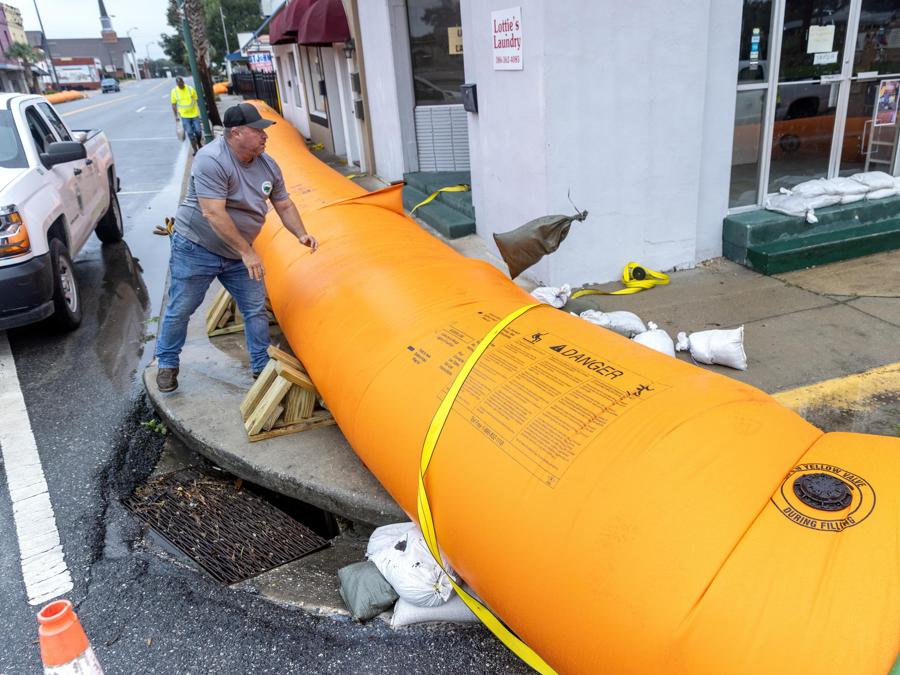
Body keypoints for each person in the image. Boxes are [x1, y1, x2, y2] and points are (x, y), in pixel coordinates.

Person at [154, 102, 318, 393]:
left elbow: (283, 203)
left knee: (255, 309)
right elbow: (214, 213)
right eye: (258, 131)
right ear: (236, 133)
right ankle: (167, 363)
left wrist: (301, 234)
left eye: (264, 131)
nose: (265, 136)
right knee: (181, 308)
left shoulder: (267, 164)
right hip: (197, 248)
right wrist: (247, 252)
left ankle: (260, 368)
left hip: (238, 252)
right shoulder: (211, 160)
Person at [170, 76, 203, 153]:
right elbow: (174, 104)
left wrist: (200, 112)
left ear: (183, 82)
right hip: (184, 116)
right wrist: (176, 116)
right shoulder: (174, 91)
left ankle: (198, 142)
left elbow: (197, 99)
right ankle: (195, 149)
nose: (180, 85)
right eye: (179, 84)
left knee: (198, 131)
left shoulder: (190, 89)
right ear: (177, 84)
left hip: (194, 114)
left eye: (181, 83)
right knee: (190, 132)